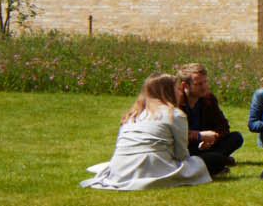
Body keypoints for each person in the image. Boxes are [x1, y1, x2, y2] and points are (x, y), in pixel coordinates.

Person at [82, 74, 212, 190]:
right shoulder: (175, 115)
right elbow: (181, 154)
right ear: (169, 92)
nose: (180, 93)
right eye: (177, 89)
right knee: (214, 159)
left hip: (120, 168)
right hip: (151, 167)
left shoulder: (133, 114)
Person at [176, 62, 244, 176]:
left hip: (205, 146)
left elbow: (223, 125)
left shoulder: (208, 98)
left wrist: (213, 139)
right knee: (214, 158)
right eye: (198, 84)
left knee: (236, 137)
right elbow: (175, 134)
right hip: (184, 147)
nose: (204, 87)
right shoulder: (176, 102)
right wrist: (199, 136)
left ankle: (213, 160)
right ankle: (216, 161)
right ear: (185, 86)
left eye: (205, 82)